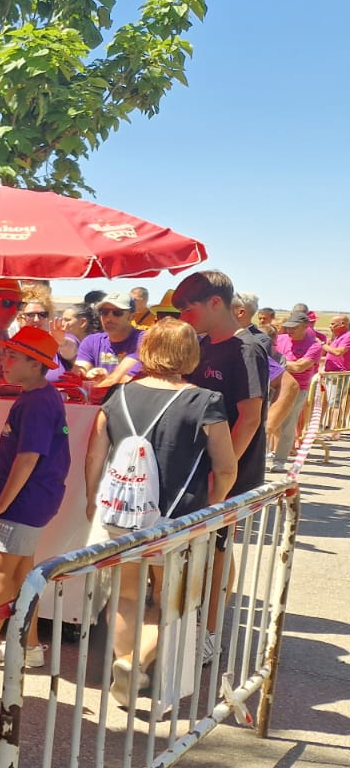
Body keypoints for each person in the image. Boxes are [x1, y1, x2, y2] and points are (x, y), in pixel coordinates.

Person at [82, 319, 236, 706]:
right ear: (190, 354)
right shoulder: (206, 401)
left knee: (128, 596)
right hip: (178, 520)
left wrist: (91, 499)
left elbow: (94, 454)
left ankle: (124, 669)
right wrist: (214, 507)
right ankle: (136, 663)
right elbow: (226, 465)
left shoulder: (117, 396)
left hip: (123, 514)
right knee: (175, 602)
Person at [0, 326, 71, 674]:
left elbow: (28, 457)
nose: (5, 361)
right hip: (33, 499)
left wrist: (2, 502)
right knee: (20, 573)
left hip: (26, 501)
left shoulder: (36, 402)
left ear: (36, 365)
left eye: (13, 356)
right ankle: (29, 645)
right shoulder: (38, 396)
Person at [171, 270, 270, 661]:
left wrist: (223, 470)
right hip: (200, 469)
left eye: (188, 307)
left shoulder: (248, 349)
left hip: (230, 473)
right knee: (200, 551)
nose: (183, 315)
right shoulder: (200, 344)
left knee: (216, 552)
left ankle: (209, 635)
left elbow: (250, 417)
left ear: (216, 302)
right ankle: (193, 623)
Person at [268, 305, 322, 470]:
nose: (289, 330)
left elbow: (300, 367)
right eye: (288, 327)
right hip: (274, 384)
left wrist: (279, 363)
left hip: (298, 388)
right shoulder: (282, 339)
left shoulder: (314, 346)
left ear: (306, 327)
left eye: (294, 328)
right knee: (268, 420)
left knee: (288, 424)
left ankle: (280, 460)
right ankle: (268, 452)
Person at [75, 292, 142, 388]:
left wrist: (96, 385)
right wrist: (88, 374)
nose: (109, 318)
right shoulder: (91, 341)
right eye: (104, 312)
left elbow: (117, 378)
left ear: (132, 316)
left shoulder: (143, 339)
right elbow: (78, 373)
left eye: (117, 312)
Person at [48, 302, 97, 379]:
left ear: (82, 323)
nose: (62, 324)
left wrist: (62, 342)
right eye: (62, 319)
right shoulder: (65, 340)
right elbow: (69, 347)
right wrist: (62, 342)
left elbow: (70, 349)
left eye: (67, 320)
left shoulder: (99, 343)